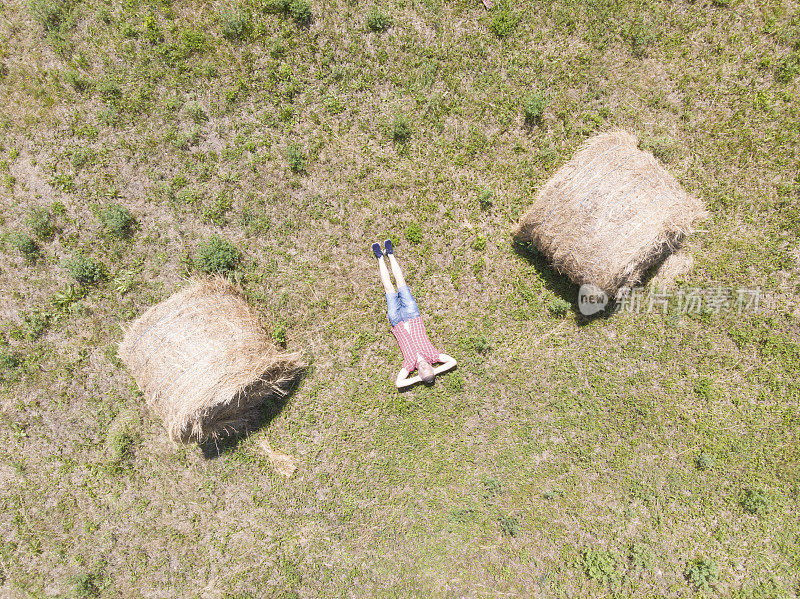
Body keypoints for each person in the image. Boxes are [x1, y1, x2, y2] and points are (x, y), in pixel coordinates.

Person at [372, 239, 457, 388]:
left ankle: (380, 257)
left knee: (389, 289)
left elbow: (399, 383)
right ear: (432, 367)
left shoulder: (409, 365)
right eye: (428, 369)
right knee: (401, 283)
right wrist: (433, 373)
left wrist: (419, 379)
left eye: (422, 371)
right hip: (413, 316)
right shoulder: (433, 355)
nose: (424, 368)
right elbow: (453, 362)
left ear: (418, 373)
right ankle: (390, 255)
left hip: (397, 321)